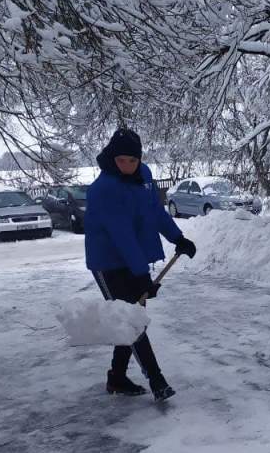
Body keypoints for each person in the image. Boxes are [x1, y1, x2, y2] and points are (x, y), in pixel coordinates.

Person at [84, 128, 197, 401]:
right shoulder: (104, 189)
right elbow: (120, 232)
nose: (127, 166)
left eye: (133, 161)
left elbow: (154, 212)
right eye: (122, 160)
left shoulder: (143, 176)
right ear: (112, 157)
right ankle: (157, 380)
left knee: (131, 322)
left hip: (133, 258)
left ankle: (117, 377)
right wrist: (142, 275)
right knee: (131, 321)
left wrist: (177, 237)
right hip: (108, 262)